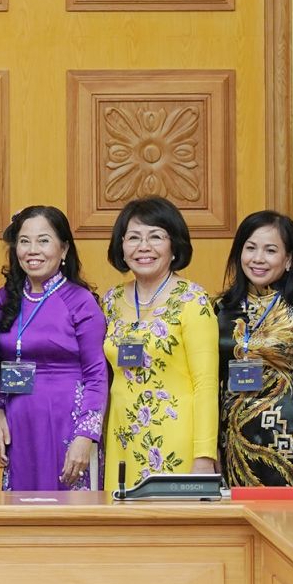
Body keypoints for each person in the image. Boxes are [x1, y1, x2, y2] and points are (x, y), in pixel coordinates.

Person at [100, 196, 219, 488]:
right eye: (134, 238)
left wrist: (204, 454)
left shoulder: (192, 300)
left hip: (176, 440)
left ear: (174, 246)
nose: (144, 247)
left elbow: (206, 382)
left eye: (156, 237)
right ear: (121, 246)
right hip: (122, 437)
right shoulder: (111, 301)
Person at [0, 205, 107, 492]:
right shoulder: (3, 299)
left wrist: (86, 435)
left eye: (43, 240)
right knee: (23, 514)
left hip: (68, 419)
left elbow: (96, 374)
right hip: (19, 421)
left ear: (64, 249)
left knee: (70, 514)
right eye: (24, 241)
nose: (33, 250)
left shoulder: (80, 301)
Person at [215, 211, 293, 488]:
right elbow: (211, 384)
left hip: (288, 443)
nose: (258, 259)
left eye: (270, 250)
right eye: (250, 248)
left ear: (289, 259)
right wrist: (210, 450)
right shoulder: (221, 310)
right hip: (230, 443)